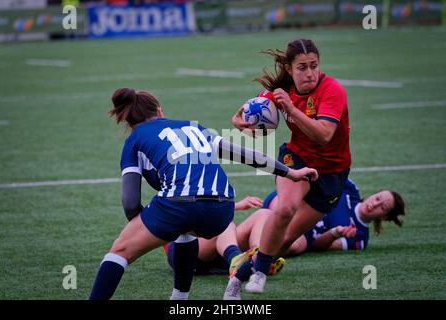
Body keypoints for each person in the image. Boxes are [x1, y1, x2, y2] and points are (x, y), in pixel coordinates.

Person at [88, 87, 318, 300]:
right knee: (185, 232)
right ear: (160, 110)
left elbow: (130, 203)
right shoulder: (193, 127)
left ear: (128, 121)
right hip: (223, 208)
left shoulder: (134, 139)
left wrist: (141, 226)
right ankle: (180, 299)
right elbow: (246, 155)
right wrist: (291, 173)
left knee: (120, 250)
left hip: (179, 204)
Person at [226, 38, 352, 299]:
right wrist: (240, 123)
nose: (309, 73)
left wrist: (292, 109)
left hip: (332, 173)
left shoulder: (332, 91)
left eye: (314, 66)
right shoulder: (282, 89)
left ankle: (237, 279)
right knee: (284, 208)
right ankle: (259, 273)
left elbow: (324, 135)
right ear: (289, 69)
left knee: (283, 241)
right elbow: (254, 117)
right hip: (296, 157)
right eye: (302, 68)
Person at [236, 179, 406, 256]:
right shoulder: (351, 190)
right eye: (377, 198)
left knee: (297, 245)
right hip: (291, 203)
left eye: (382, 207)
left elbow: (317, 246)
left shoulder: (359, 238)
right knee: (285, 215)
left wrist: (335, 232)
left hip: (304, 234)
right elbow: (324, 177)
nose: (374, 204)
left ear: (384, 217)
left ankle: (255, 255)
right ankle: (258, 255)